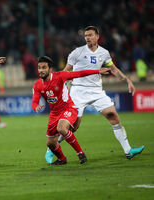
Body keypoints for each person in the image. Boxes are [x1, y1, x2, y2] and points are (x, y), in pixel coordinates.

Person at [50, 26, 144, 161]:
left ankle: (128, 150)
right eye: (86, 36)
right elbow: (65, 71)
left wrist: (127, 80)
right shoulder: (77, 52)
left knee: (113, 116)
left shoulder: (104, 53)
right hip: (78, 91)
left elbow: (113, 69)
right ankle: (52, 146)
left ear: (97, 36)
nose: (87, 38)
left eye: (90, 35)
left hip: (96, 91)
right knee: (73, 127)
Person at [33, 56, 111, 165]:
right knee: (50, 143)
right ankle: (62, 159)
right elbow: (34, 101)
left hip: (68, 108)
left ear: (50, 69)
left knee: (61, 128)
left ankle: (80, 153)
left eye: (44, 67)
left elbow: (79, 74)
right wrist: (35, 106)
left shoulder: (60, 76)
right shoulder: (37, 85)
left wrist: (97, 71)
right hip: (54, 114)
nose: (41, 70)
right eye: (39, 68)